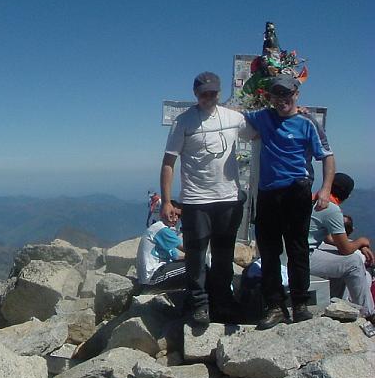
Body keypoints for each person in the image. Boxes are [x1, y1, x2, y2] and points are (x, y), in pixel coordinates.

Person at [160, 71, 253, 325]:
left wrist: (291, 114)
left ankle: (222, 302)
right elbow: (169, 162)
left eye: (212, 93)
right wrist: (167, 201)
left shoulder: (234, 119)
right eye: (204, 94)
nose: (208, 98)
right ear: (196, 94)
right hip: (195, 201)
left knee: (223, 256)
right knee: (196, 256)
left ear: (219, 93)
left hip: (228, 199)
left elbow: (259, 132)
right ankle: (199, 304)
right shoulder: (184, 122)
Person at [244, 74, 335, 329]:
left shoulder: (308, 123)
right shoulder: (263, 117)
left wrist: (326, 190)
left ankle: (299, 304)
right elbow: (235, 114)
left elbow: (327, 156)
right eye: (276, 95)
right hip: (268, 194)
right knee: (269, 251)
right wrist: (208, 101)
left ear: (296, 94)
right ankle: (275, 306)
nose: (281, 99)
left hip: (297, 191)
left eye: (286, 94)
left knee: (297, 249)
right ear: (270, 97)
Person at [308, 173, 374, 321]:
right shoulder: (330, 208)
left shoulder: (311, 199)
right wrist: (361, 242)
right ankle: (369, 314)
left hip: (287, 253)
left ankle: (335, 301)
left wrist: (355, 245)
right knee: (354, 262)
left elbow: (324, 237)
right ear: (347, 196)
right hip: (302, 258)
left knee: (345, 258)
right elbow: (345, 249)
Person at [137, 200, 186, 291]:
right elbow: (189, 250)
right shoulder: (162, 229)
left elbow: (176, 257)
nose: (175, 219)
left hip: (150, 277)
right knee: (196, 267)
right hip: (152, 277)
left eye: (178, 216)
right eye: (172, 214)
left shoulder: (160, 229)